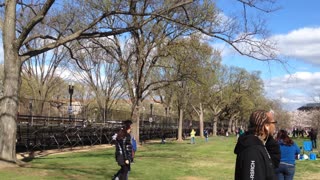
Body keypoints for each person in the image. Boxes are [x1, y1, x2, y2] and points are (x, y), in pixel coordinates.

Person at [234, 110, 277, 180]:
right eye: (273, 123)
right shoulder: (252, 150)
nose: (274, 126)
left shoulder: (258, 145)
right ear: (266, 126)